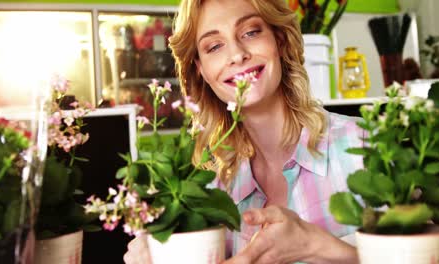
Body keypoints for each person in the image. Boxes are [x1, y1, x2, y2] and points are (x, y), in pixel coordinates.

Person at [124, 0, 364, 263]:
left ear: (280, 40)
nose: (237, 54)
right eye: (214, 46)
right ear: (200, 70)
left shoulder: (365, 146)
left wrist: (316, 247)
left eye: (251, 32)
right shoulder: (212, 193)